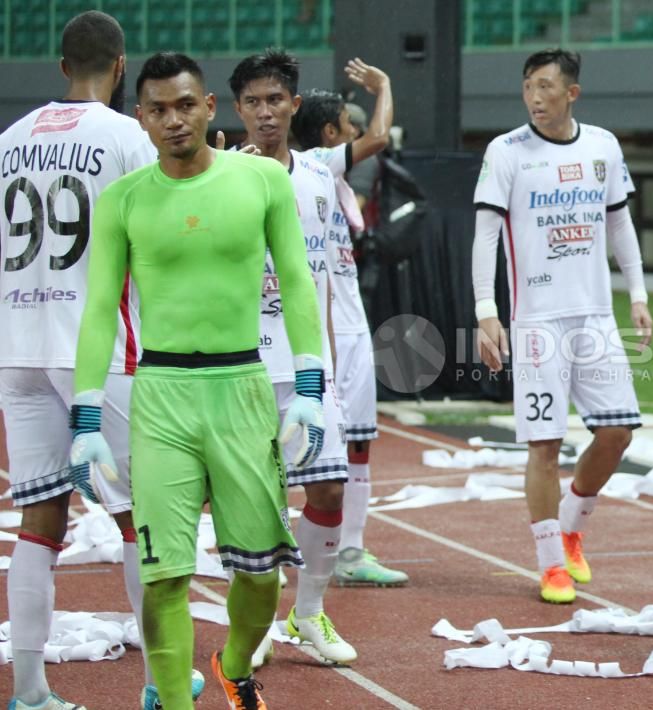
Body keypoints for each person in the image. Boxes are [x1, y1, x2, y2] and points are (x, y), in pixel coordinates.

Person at [70, 51, 326, 710]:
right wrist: (87, 418)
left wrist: (310, 387)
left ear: (209, 107)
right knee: (163, 576)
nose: (174, 119)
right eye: (158, 109)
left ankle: (234, 665)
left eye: (185, 105)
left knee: (261, 575)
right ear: (142, 120)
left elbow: (297, 280)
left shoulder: (263, 181)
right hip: (161, 397)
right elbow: (100, 309)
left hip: (242, 386)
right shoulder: (123, 200)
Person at [0, 12, 207, 710]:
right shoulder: (129, 137)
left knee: (38, 521)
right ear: (122, 68)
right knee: (139, 520)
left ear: (61, 67)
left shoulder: (7, 143)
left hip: (17, 350)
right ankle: (162, 678)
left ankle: (29, 691)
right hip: (97, 350)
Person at [471, 48, 652, 604]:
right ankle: (551, 563)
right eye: (529, 86)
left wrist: (640, 296)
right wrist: (485, 311)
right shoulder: (505, 152)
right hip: (538, 322)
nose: (535, 96)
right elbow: (484, 236)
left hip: (597, 316)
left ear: (571, 93)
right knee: (544, 444)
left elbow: (619, 225)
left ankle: (572, 525)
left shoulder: (603, 146)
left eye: (547, 87)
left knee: (618, 431)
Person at [227, 48, 363, 668]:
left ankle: (307, 613)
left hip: (308, 365)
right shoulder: (221, 173)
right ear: (235, 110)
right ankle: (253, 625)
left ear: (294, 106)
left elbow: (327, 275)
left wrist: (329, 361)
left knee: (329, 490)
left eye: (274, 100)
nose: (264, 112)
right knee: (257, 504)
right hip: (245, 365)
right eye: (252, 102)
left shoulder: (316, 178)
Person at [291, 58, 406, 589]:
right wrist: (383, 86)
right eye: (346, 124)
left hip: (349, 316)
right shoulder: (313, 161)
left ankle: (351, 550)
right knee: (296, 444)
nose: (357, 132)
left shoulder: (326, 177)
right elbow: (380, 136)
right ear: (329, 134)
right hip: (315, 326)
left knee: (358, 441)